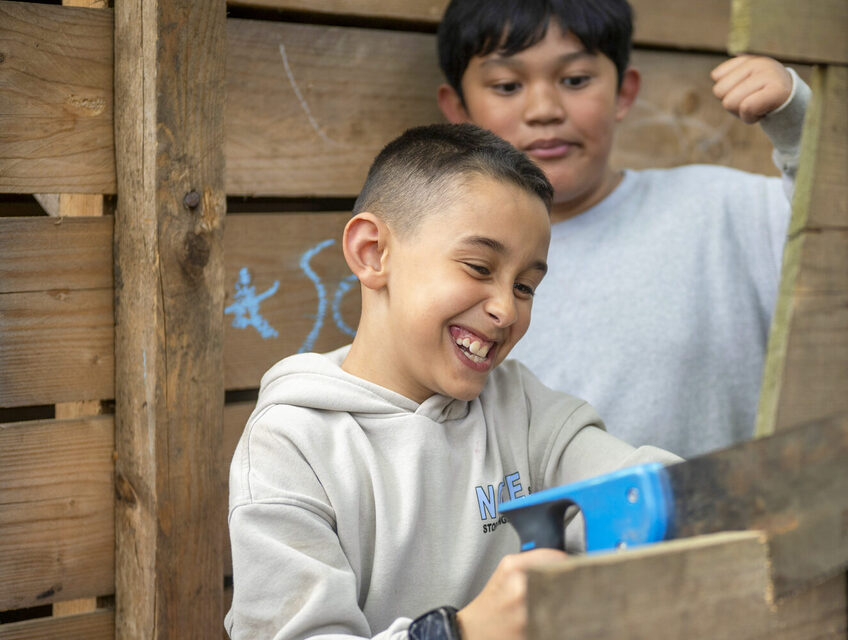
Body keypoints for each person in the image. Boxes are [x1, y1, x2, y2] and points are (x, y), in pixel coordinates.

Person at [225, 124, 680, 640]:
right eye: (479, 266)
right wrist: (457, 633)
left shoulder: (520, 403)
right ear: (373, 252)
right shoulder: (292, 446)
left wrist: (704, 499)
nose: (506, 308)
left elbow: (635, 480)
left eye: (526, 286)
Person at [436, 0, 811, 457]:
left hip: (720, 527)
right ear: (458, 108)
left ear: (624, 92)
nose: (544, 109)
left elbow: (835, 233)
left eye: (575, 80)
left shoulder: (725, 211)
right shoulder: (444, 268)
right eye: (507, 85)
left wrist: (800, 124)